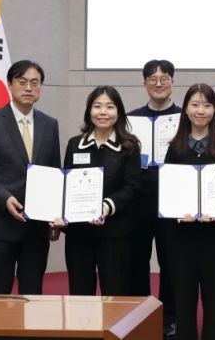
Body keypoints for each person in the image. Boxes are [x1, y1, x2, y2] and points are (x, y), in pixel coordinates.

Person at [0, 60, 61, 294]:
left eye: (35, 82)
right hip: (0, 224)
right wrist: (5, 198)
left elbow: (54, 174)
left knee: (32, 294)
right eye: (22, 82)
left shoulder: (50, 125)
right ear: (10, 85)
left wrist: (55, 216)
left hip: (36, 227)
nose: (29, 88)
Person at [164, 83, 215, 340]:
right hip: (181, 236)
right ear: (185, 109)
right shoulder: (174, 147)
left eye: (207, 105)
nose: (200, 110)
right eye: (195, 104)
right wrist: (177, 211)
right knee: (184, 301)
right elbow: (169, 191)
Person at [63, 86, 141, 295]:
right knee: (80, 294)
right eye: (97, 106)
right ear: (89, 111)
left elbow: (132, 187)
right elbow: (66, 185)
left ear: (119, 112)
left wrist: (106, 206)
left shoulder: (130, 146)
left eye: (109, 107)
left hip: (115, 232)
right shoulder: (75, 144)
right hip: (79, 233)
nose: (103, 112)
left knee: (115, 294)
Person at [128, 59, 179, 338]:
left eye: (164, 78)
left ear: (172, 81)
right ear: (144, 83)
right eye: (152, 79)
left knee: (171, 262)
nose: (158, 84)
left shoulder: (185, 117)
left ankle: (170, 317)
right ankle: (140, 316)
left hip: (173, 201)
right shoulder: (130, 119)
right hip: (138, 200)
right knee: (137, 260)